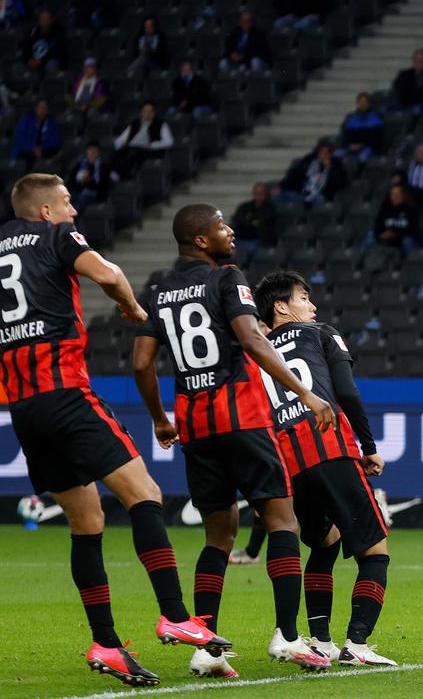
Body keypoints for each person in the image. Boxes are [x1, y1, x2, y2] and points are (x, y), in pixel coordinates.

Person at [2, 175, 229, 687]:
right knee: (143, 493)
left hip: (23, 405)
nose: (73, 211)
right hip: (65, 391)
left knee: (86, 522)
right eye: (66, 202)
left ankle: (106, 643)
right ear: (44, 211)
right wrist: (131, 306)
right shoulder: (56, 235)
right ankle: (175, 614)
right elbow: (108, 273)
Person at [132, 203, 337, 677]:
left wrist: (160, 419)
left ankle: (206, 648)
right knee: (282, 521)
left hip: (195, 427)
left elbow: (142, 362)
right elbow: (251, 338)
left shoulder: (160, 291)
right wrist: (305, 392)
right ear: (201, 239)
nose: (230, 231)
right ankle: (288, 637)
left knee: (218, 536)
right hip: (242, 418)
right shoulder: (226, 278)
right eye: (221, 225)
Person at [254, 271, 395, 667]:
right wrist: (369, 447)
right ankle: (358, 644)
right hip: (330, 447)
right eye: (304, 297)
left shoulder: (258, 352)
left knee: (325, 542)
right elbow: (346, 391)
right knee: (375, 550)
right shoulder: (320, 333)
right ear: (281, 306)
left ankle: (319, 640)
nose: (312, 305)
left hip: (289, 464)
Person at [112, 102, 174, 178]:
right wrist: (121, 145)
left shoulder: (161, 124)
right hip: (130, 147)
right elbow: (120, 139)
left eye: (150, 111)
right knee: (116, 153)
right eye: (145, 111)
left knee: (134, 152)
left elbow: (169, 141)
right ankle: (117, 174)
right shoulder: (135, 124)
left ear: (154, 113)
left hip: (148, 149)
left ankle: (122, 175)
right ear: (141, 113)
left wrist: (153, 145)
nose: (147, 114)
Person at [278, 143, 347, 205]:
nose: (323, 155)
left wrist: (329, 169)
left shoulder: (336, 165)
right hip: (302, 192)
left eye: (326, 153)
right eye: (321, 153)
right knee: (280, 196)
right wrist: (281, 186)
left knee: (317, 200)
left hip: (320, 195)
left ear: (330, 154)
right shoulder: (309, 161)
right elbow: (294, 174)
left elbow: (341, 183)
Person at [11, 98, 63, 169]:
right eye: (40, 107)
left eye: (44, 108)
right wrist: (33, 148)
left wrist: (41, 149)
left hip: (43, 150)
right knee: (27, 156)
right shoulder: (26, 119)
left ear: (47, 110)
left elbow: (55, 140)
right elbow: (20, 138)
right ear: (36, 108)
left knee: (55, 150)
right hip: (26, 150)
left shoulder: (52, 122)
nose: (42, 110)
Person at [370, 182, 421, 253]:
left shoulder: (411, 209)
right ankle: (362, 256)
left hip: (404, 238)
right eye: (393, 194)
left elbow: (413, 230)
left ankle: (411, 259)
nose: (395, 197)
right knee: (371, 235)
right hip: (388, 238)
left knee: (407, 241)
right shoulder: (385, 208)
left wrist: (395, 235)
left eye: (398, 194)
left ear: (403, 195)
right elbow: (378, 224)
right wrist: (381, 234)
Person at [231, 181, 279, 252]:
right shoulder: (245, 206)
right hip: (241, 236)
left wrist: (249, 221)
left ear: (266, 194)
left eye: (261, 193)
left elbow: (264, 221)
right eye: (256, 193)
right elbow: (238, 219)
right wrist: (251, 222)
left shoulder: (270, 208)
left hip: (259, 239)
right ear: (253, 193)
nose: (258, 195)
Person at [336, 92, 384, 164]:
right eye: (360, 102)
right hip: (351, 148)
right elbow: (345, 138)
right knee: (336, 154)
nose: (362, 104)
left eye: (364, 102)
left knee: (362, 158)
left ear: (369, 103)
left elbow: (377, 141)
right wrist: (349, 146)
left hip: (368, 149)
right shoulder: (351, 119)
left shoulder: (376, 119)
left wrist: (361, 146)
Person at [68, 142, 116, 208]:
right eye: (90, 151)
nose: (92, 154)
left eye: (94, 152)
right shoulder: (80, 165)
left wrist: (89, 181)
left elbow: (103, 185)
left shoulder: (103, 167)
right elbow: (71, 181)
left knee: (82, 198)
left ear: (98, 153)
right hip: (78, 191)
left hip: (94, 193)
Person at [392, 49, 423, 115]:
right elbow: (398, 87)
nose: (419, 63)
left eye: (422, 60)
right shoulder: (404, 74)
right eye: (417, 60)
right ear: (413, 61)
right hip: (406, 105)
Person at [24, 9, 67, 73]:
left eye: (46, 19)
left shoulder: (58, 32)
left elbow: (56, 51)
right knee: (18, 65)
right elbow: (27, 47)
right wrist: (29, 59)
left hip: (50, 60)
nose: (44, 21)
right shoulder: (34, 32)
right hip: (35, 59)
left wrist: (41, 60)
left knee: (51, 65)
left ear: (51, 20)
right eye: (42, 19)